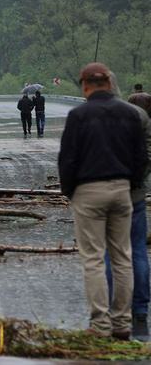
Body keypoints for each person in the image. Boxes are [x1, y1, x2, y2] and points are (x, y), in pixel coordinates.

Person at [59, 62, 148, 340]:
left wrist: (70, 191)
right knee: (123, 257)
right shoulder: (131, 114)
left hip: (89, 190)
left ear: (84, 85)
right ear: (109, 83)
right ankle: (123, 323)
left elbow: (68, 158)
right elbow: (141, 156)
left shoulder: (79, 115)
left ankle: (100, 323)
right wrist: (131, 184)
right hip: (123, 191)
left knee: (95, 259)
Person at [105, 74, 151, 331]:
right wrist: (138, 177)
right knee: (137, 251)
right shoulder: (138, 115)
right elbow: (147, 150)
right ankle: (141, 308)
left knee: (110, 253)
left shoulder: (89, 115)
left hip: (105, 192)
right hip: (133, 192)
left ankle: (114, 306)